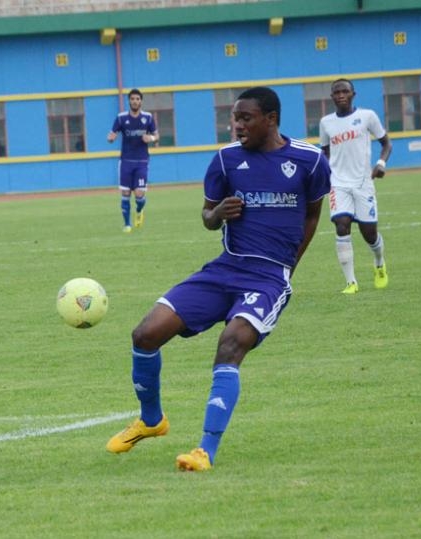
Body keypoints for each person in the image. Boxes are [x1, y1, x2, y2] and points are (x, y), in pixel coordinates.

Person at [106, 87, 331, 472]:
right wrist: (219, 214)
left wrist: (288, 268)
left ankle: (204, 450)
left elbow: (312, 215)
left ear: (271, 119)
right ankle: (151, 419)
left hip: (267, 278)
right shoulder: (226, 160)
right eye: (234, 117)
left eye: (246, 118)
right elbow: (207, 218)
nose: (237, 125)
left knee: (230, 345)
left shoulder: (309, 161)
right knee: (145, 334)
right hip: (225, 268)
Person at [318, 78, 393, 294]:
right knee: (342, 225)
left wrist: (381, 164)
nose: (340, 95)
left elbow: (386, 142)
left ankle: (379, 264)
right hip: (338, 184)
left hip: (363, 184)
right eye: (336, 92)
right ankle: (351, 282)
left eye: (345, 91)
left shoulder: (367, 116)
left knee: (369, 234)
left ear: (353, 94)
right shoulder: (326, 123)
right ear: (332, 97)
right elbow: (324, 152)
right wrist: (322, 175)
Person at [107, 88, 159, 233]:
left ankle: (139, 210)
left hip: (142, 161)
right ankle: (127, 224)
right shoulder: (121, 118)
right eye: (132, 99)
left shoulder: (148, 118)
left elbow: (157, 135)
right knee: (125, 194)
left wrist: (151, 138)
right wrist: (110, 138)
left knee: (139, 195)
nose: (135, 101)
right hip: (125, 162)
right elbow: (112, 133)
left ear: (141, 101)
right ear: (129, 101)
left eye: (137, 99)